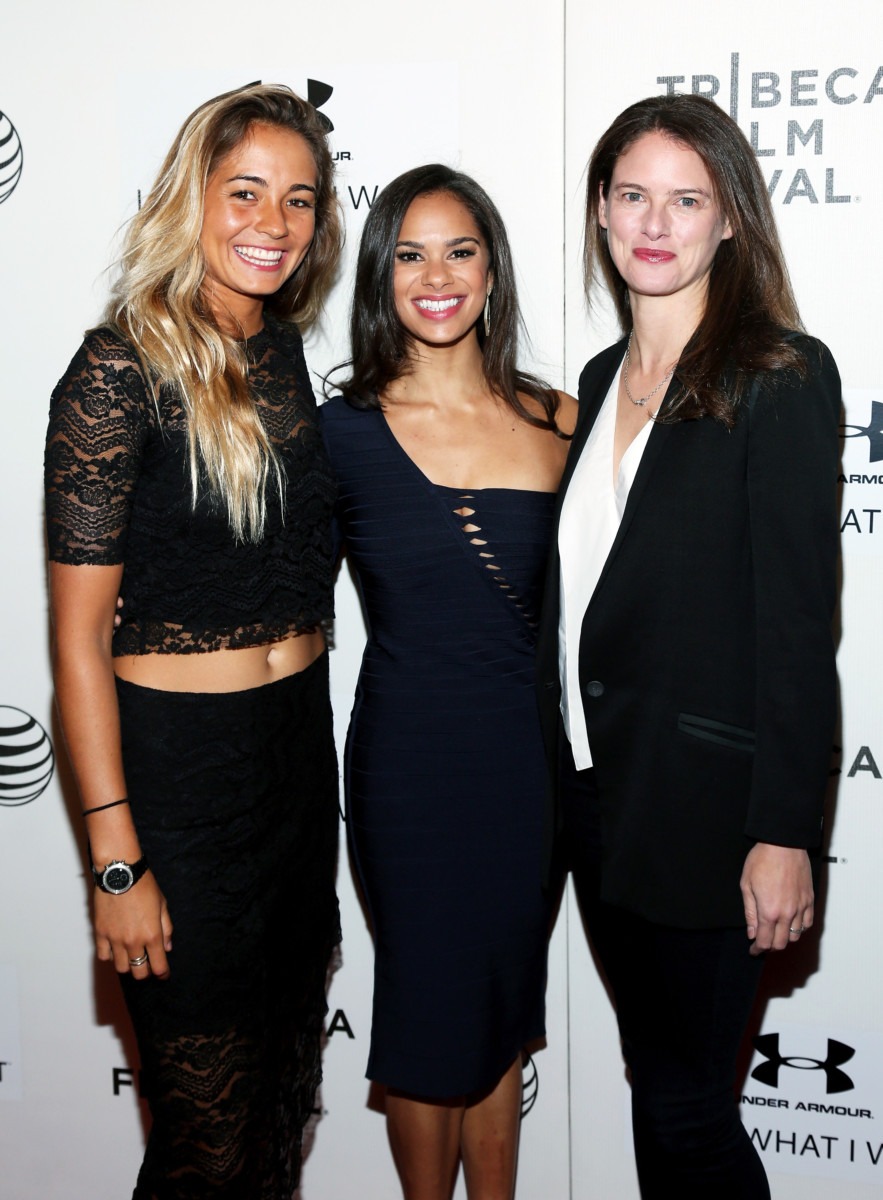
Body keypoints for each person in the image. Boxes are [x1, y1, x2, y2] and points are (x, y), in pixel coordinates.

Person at [536, 93, 840, 1198]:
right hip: (594, 804)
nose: (653, 222)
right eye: (631, 195)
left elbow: (801, 631)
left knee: (686, 1111)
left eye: (685, 198)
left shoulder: (779, 374)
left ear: (728, 222)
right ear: (601, 214)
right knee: (662, 1095)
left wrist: (781, 834)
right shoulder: (595, 382)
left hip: (710, 817)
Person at [45, 84, 343, 1198]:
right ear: (193, 199)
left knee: (272, 1119)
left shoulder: (284, 358)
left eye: (299, 200)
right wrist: (115, 860)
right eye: (245, 192)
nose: (272, 222)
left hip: (294, 773)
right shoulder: (117, 372)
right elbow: (77, 641)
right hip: (179, 789)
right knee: (204, 1150)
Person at [320, 164, 576, 1200]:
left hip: (526, 771)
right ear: (381, 274)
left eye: (459, 250)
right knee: (428, 1016)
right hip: (406, 776)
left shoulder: (562, 421)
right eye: (411, 253)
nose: (437, 276)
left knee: (503, 1009)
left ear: (490, 268)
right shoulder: (338, 433)